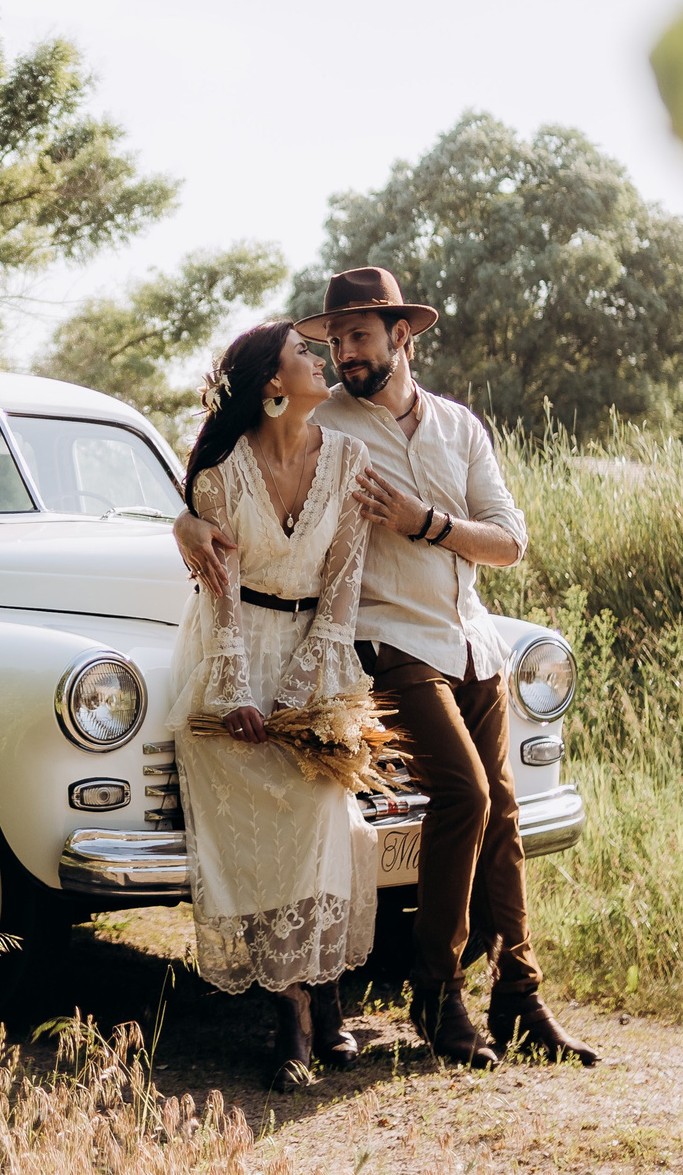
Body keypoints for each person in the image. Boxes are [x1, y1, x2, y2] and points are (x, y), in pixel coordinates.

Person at [174, 267, 601, 1069]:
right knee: (467, 794)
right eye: (332, 341)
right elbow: (229, 458)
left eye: (358, 337)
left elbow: (510, 542)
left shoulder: (460, 428)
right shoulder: (325, 420)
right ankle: (436, 992)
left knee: (502, 815)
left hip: (472, 639)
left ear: (403, 335)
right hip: (387, 644)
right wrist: (184, 522)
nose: (342, 354)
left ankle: (520, 993)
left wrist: (426, 522)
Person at [166, 318, 384, 1090]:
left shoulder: (350, 460)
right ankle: (292, 1015)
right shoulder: (221, 476)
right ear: (270, 385)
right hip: (231, 654)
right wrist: (236, 693)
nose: (320, 359)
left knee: (321, 807)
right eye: (304, 352)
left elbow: (345, 588)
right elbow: (218, 596)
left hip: (317, 658)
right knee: (256, 806)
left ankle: (324, 997)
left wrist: (296, 698)